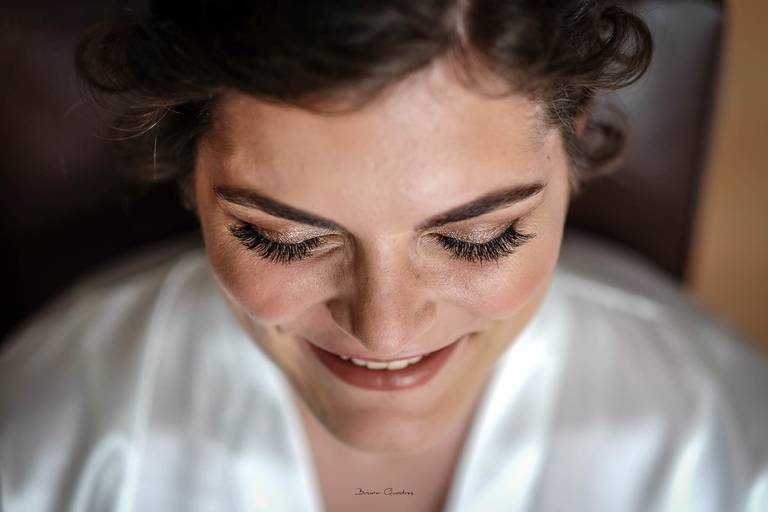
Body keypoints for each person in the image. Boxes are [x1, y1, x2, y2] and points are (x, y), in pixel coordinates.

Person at [1, 1, 766, 511]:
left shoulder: (716, 449)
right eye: (283, 239)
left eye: (478, 238)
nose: (384, 332)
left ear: (575, 138)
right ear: (189, 167)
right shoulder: (49, 442)